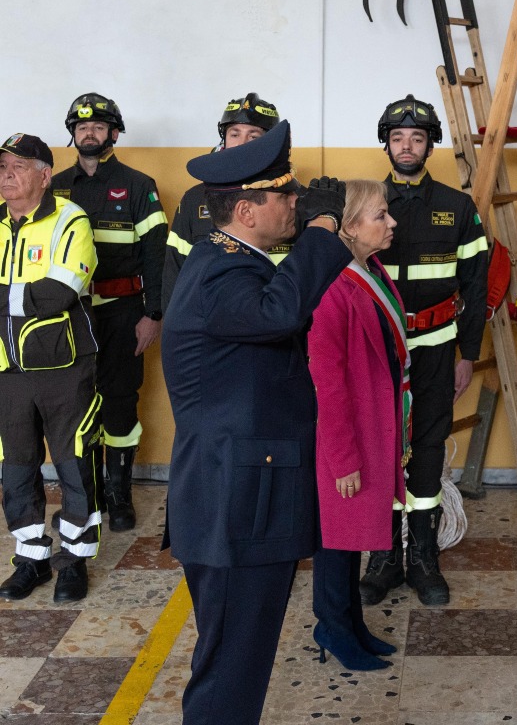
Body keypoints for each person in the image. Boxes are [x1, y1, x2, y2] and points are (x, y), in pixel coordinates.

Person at [161, 121, 350, 724]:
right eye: (284, 195)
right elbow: (281, 312)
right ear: (246, 209)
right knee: (231, 668)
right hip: (234, 504)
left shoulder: (234, 259)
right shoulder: (222, 273)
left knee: (237, 659)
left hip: (243, 496)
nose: (296, 203)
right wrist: (322, 230)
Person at [360, 94, 488, 607]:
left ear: (430, 145)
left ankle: (423, 557)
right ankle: (385, 555)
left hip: (437, 348)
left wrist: (467, 354)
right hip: (380, 348)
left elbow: (476, 289)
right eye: (397, 138)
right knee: (382, 446)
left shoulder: (458, 208)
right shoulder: (368, 205)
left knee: (428, 447)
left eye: (416, 138)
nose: (406, 146)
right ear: (386, 145)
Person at [50, 93, 167, 533]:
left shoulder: (139, 185)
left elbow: (156, 255)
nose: (89, 132)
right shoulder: (54, 186)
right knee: (75, 403)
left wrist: (153, 313)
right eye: (81, 127)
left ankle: (118, 493)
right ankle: (88, 492)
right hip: (70, 315)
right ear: (73, 135)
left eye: (98, 126)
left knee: (120, 400)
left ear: (113, 133)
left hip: (124, 312)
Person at [308, 180, 410, 671]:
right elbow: (328, 384)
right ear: (348, 227)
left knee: (349, 541)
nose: (391, 223)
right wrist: (343, 459)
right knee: (336, 541)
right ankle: (331, 625)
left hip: (371, 425)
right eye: (380, 216)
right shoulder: (332, 288)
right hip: (345, 438)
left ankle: (351, 624)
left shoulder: (368, 270)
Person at [0, 133, 102, 603]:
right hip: (7, 370)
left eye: (17, 167)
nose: (6, 177)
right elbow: (33, 296)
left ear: (44, 175)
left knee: (73, 462)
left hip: (64, 365)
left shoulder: (69, 218)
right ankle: (31, 558)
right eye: (2, 168)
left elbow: (60, 293)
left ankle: (74, 560)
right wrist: (20, 298)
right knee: (17, 466)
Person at [163, 93, 284, 311]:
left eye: (253, 136)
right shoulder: (195, 198)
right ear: (224, 139)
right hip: (210, 321)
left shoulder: (289, 198)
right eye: (234, 134)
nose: (242, 144)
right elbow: (175, 269)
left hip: (279, 314)